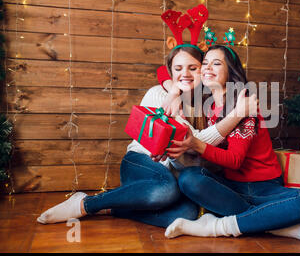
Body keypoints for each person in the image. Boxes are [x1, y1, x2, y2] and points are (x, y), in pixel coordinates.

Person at [36, 45, 257, 228]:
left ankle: (116, 207)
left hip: (173, 175)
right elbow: (193, 141)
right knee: (165, 189)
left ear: (203, 70)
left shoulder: (207, 102)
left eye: (193, 67)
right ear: (170, 71)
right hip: (140, 164)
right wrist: (237, 115)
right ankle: (86, 203)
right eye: (178, 68)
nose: (185, 74)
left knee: (188, 214)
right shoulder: (159, 93)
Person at [158, 44, 300, 241]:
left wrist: (196, 144)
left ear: (231, 71)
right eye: (205, 63)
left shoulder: (244, 105)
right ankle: (272, 226)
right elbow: (162, 71)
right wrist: (173, 92)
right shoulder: (208, 106)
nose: (207, 68)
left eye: (216, 63)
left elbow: (235, 160)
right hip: (232, 186)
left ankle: (217, 226)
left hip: (263, 187)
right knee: (189, 178)